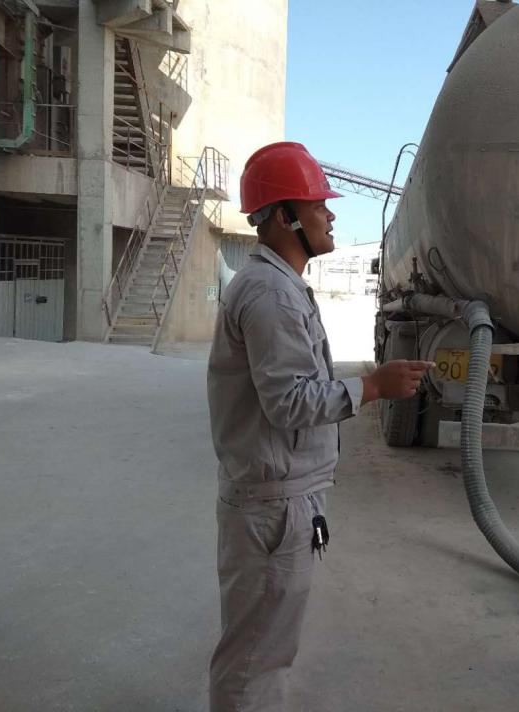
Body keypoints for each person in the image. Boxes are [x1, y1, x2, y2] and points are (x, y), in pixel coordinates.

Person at [206, 142, 433, 712]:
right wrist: (372, 387)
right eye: (317, 205)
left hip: (279, 498)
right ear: (285, 216)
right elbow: (288, 403)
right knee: (256, 659)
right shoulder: (271, 295)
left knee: (262, 649)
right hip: (274, 508)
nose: (330, 215)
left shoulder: (278, 286)